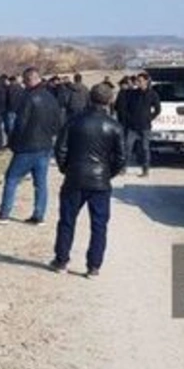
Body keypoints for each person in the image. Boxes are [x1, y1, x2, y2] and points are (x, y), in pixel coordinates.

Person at [51, 83, 126, 276]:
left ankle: (61, 261)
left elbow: (60, 149)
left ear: (89, 98)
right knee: (99, 225)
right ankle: (94, 266)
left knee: (67, 221)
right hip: (100, 181)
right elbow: (121, 158)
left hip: (75, 177)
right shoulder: (114, 126)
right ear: (110, 101)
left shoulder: (73, 122)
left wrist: (66, 169)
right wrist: (108, 174)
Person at [0, 67, 62, 225]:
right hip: (45, 145)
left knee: (11, 178)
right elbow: (57, 122)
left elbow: (21, 123)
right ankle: (39, 215)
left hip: (27, 145)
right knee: (40, 183)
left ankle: (4, 213)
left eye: (25, 81)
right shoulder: (51, 97)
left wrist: (13, 143)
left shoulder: (28, 98)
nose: (23, 84)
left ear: (30, 79)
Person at [122, 72, 161, 177]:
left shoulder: (152, 94)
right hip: (132, 127)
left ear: (146, 81)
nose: (138, 83)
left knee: (145, 149)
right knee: (127, 147)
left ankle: (145, 170)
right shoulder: (133, 94)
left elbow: (158, 109)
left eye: (140, 81)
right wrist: (128, 119)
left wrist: (150, 118)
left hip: (145, 127)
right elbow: (126, 107)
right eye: (137, 81)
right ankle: (123, 168)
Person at [4, 74, 24, 138]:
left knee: (11, 125)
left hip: (11, 108)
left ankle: (11, 138)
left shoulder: (9, 88)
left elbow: (8, 99)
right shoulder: (21, 88)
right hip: (19, 108)